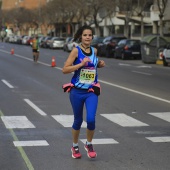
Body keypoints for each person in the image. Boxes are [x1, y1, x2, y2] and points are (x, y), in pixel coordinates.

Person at [62, 25, 105, 159]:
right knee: (78, 120)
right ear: (81, 36)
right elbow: (65, 69)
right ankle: (75, 146)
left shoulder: (95, 50)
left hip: (91, 91)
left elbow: (92, 65)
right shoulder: (76, 51)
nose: (88, 37)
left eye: (90, 35)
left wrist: (99, 64)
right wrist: (80, 65)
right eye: (85, 35)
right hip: (76, 91)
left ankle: (89, 143)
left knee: (91, 119)